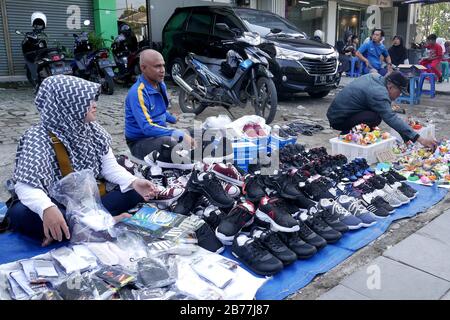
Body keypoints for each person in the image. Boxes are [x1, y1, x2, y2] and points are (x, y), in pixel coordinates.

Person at [5, 75, 158, 246]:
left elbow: (109, 168)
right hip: (56, 202)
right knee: (22, 214)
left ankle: (80, 227)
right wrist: (46, 208)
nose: (94, 104)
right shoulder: (37, 137)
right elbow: (25, 185)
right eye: (87, 100)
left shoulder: (93, 129)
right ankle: (97, 223)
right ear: (67, 103)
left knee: (134, 192)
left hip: (86, 200)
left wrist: (134, 181)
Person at [326, 71, 438, 149]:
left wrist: (406, 137)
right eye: (399, 92)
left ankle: (356, 135)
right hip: (339, 119)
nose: (398, 96)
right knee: (375, 118)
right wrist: (420, 139)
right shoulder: (379, 93)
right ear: (391, 87)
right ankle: (347, 135)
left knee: (376, 115)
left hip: (339, 113)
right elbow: (390, 117)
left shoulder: (377, 78)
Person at [125, 49, 195, 160]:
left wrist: (172, 118)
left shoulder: (160, 84)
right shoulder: (137, 92)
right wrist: (177, 133)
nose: (162, 70)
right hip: (140, 141)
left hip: (158, 135)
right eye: (157, 66)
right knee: (171, 144)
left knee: (194, 132)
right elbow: (147, 127)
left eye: (163, 65)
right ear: (143, 68)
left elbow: (159, 110)